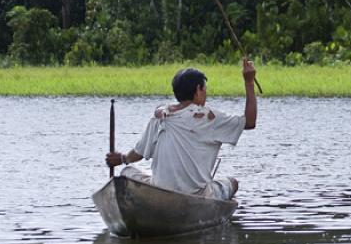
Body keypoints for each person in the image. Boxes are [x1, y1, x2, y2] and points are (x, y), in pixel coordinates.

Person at [105, 58, 257, 200]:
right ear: (198, 90)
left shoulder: (160, 117)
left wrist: (123, 159)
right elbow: (250, 122)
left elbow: (138, 153)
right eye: (204, 90)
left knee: (126, 172)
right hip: (197, 196)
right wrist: (249, 82)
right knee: (233, 183)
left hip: (160, 192)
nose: (205, 94)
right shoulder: (209, 118)